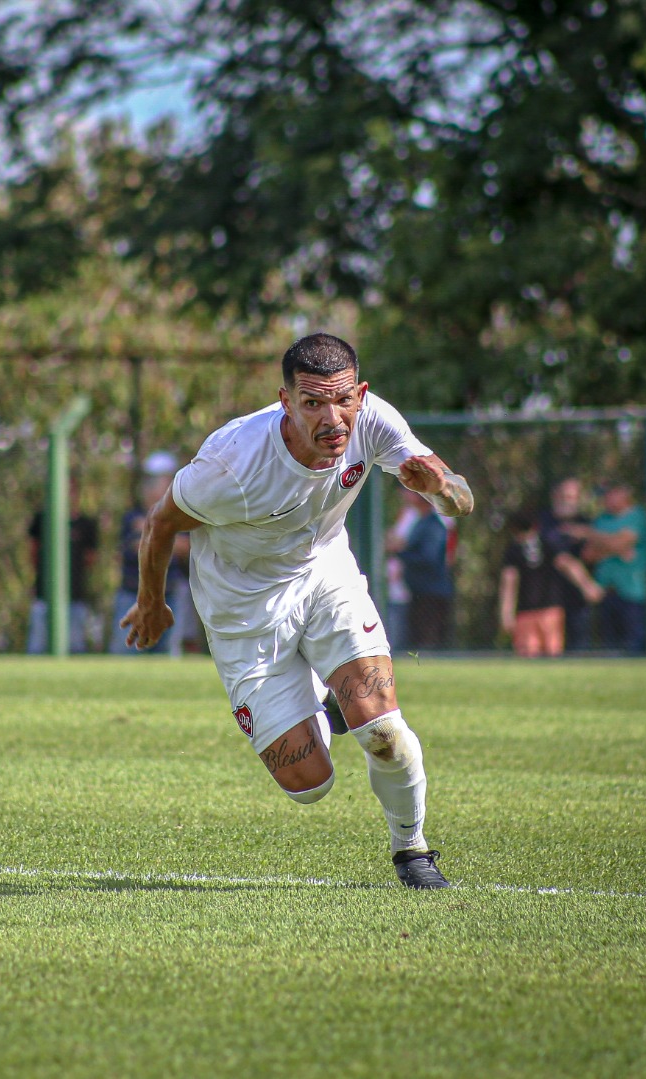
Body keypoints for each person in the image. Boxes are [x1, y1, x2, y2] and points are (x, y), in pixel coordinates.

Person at [120, 332, 474, 889]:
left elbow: (459, 500)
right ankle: (321, 699)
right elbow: (161, 523)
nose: (332, 419)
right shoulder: (232, 464)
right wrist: (151, 602)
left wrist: (443, 490)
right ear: (285, 402)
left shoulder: (376, 422)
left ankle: (413, 852)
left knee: (383, 728)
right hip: (243, 610)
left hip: (324, 576)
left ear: (360, 394)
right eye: (312, 403)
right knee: (309, 783)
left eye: (342, 401)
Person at [109, 451, 190, 656]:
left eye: (163, 482)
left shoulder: (182, 517)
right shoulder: (131, 517)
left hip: (171, 594)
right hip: (131, 594)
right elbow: (135, 547)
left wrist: (153, 535)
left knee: (168, 653)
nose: (156, 489)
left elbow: (187, 548)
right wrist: (166, 539)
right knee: (126, 652)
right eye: (152, 483)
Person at [499, 507, 603, 657]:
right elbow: (568, 564)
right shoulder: (548, 543)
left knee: (528, 656)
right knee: (552, 657)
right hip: (551, 611)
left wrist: (506, 613)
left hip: (525, 612)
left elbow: (509, 582)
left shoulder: (513, 550)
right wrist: (587, 586)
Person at [27, 478, 99, 654]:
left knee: (75, 649)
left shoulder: (86, 524)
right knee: (37, 649)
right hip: (44, 597)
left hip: (75, 597)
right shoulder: (41, 519)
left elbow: (91, 559)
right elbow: (32, 552)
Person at [582, 482, 646, 654]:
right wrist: (615, 548)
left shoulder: (638, 517)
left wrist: (589, 534)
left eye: (611, 494)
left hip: (633, 592)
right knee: (609, 647)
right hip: (605, 591)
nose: (607, 499)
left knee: (633, 646)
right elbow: (589, 554)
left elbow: (621, 542)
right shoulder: (601, 520)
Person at [387, 489, 455, 650]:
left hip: (431, 593)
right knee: (418, 641)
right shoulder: (420, 522)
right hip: (419, 592)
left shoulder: (433, 525)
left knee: (428, 642)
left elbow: (428, 558)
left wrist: (400, 552)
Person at [537, 477, 595, 651]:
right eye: (563, 495)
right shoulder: (543, 522)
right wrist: (588, 586)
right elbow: (562, 560)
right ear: (555, 495)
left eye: (571, 496)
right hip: (548, 599)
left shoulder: (586, 523)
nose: (566, 500)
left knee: (579, 647)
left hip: (578, 602)